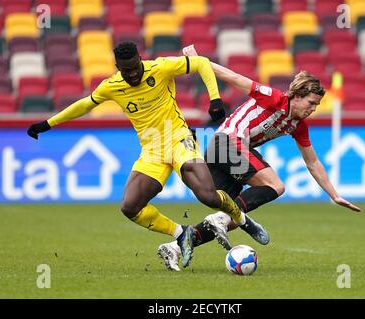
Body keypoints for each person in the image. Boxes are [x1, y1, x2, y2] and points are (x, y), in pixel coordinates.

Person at [27, 42, 269, 269]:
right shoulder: (111, 86)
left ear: (141, 60)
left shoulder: (160, 67)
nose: (132, 75)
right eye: (126, 71)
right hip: (152, 150)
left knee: (207, 195)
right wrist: (49, 123)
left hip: (178, 139)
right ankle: (181, 233)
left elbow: (202, 63)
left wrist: (215, 99)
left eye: (135, 68)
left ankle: (244, 221)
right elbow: (85, 104)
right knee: (130, 207)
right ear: (117, 68)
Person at [157, 44, 361, 271]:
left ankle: (175, 247)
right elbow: (233, 76)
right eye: (311, 103)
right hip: (225, 143)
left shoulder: (298, 126)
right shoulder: (274, 98)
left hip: (222, 153)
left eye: (317, 105)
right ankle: (220, 221)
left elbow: (312, 162)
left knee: (232, 216)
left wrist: (334, 195)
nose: (314, 108)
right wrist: (199, 62)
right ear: (297, 96)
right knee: (275, 186)